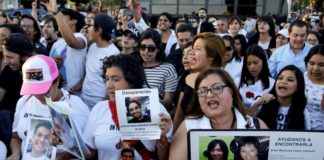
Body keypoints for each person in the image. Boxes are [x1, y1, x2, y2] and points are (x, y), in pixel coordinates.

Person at [83, 55, 172, 160]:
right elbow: (89, 151)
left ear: (132, 81)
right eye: (107, 79)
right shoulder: (99, 109)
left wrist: (163, 138)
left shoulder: (156, 108)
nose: (109, 85)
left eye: (115, 79)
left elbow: (164, 157)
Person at [170, 68, 268, 160]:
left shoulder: (257, 126)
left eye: (217, 88)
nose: (209, 95)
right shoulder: (188, 127)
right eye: (202, 90)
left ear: (232, 92)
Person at [7, 55, 89, 160]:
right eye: (33, 89)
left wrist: (60, 157)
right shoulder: (24, 101)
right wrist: (15, 154)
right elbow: (16, 136)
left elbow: (87, 148)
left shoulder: (76, 106)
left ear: (57, 81)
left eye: (43, 90)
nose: (37, 95)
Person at [0, 33, 33, 149]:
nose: (5, 62)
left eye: (9, 57)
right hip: (9, 121)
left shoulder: (38, 74)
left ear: (25, 57)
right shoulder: (8, 71)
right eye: (4, 56)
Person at [81, 13, 120, 108]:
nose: (88, 29)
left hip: (100, 103)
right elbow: (90, 73)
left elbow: (114, 83)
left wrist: (101, 105)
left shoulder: (114, 53)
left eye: (90, 26)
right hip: (83, 99)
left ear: (99, 30)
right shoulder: (92, 46)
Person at [257, 65, 310, 130]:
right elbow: (247, 121)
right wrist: (258, 103)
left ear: (298, 87)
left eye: (290, 80)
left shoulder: (303, 112)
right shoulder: (263, 103)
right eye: (280, 78)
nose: (283, 81)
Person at [139, 28, 178, 112]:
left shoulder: (168, 68)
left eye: (151, 48)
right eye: (142, 47)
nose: (146, 51)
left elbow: (168, 100)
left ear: (158, 49)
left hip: (156, 115)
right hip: (133, 114)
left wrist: (145, 105)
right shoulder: (134, 66)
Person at [236, 45, 275, 115]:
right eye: (248, 64)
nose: (252, 67)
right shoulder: (237, 82)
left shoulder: (272, 84)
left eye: (256, 63)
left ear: (263, 62)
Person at [304, 44, 324, 130]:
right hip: (298, 131)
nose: (315, 68)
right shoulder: (300, 78)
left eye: (321, 65)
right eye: (311, 63)